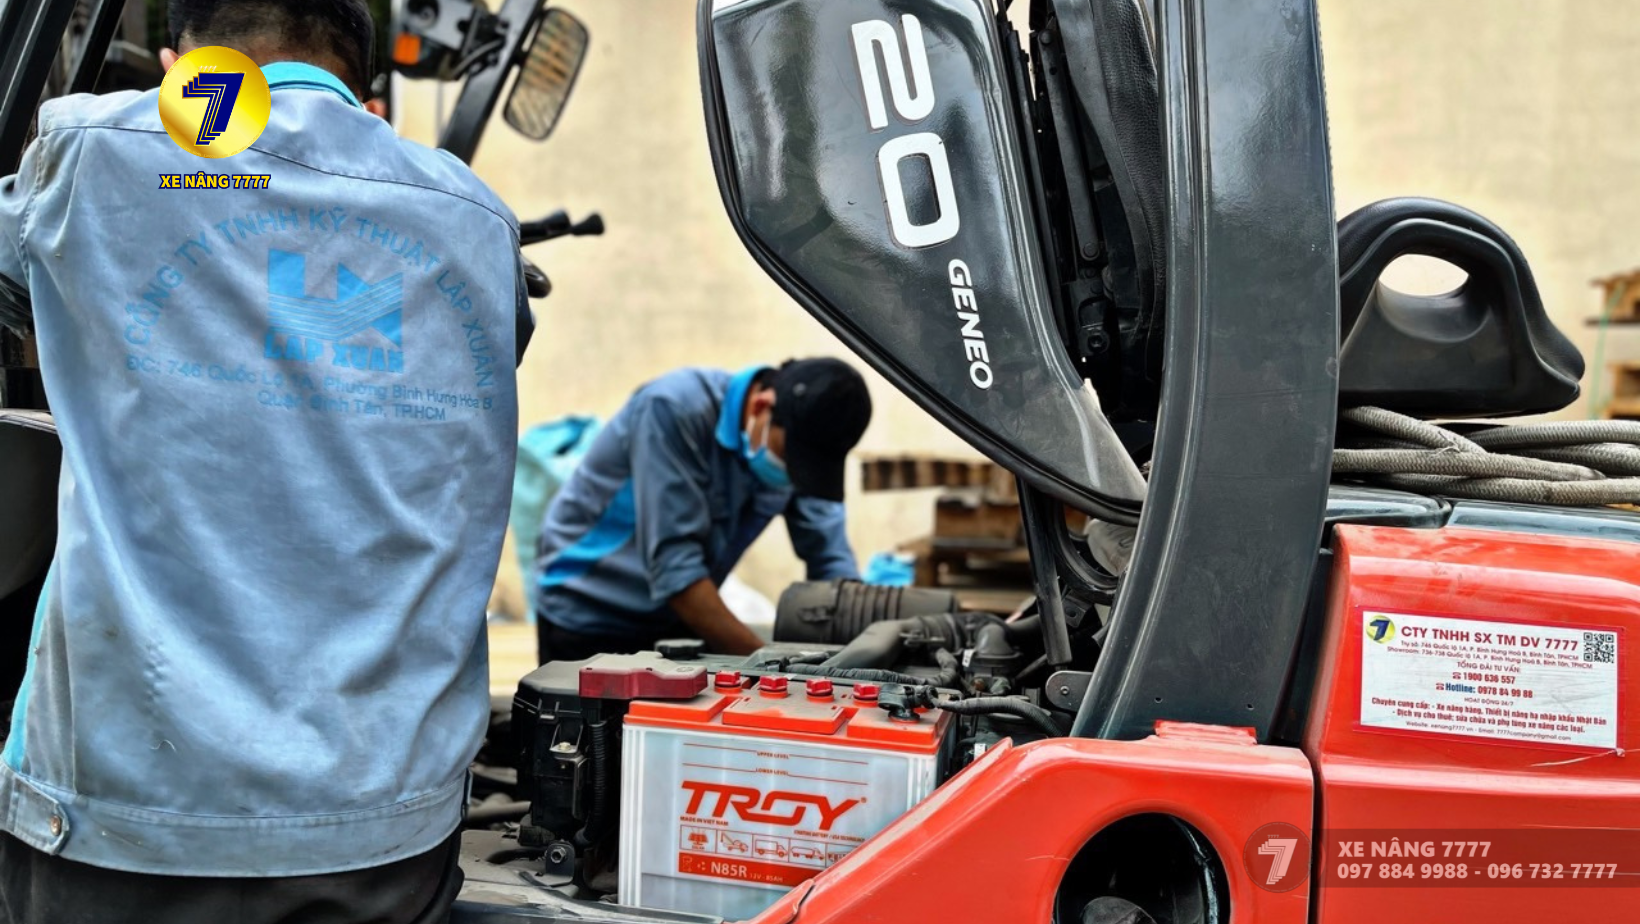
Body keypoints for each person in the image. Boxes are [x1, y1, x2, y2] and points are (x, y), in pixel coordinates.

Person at [0, 2, 529, 922]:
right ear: (362, 80)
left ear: (183, 66)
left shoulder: (98, 150)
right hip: (388, 830)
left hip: (131, 823)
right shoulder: (478, 217)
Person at [534, 360, 873, 662]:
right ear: (762, 406)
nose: (793, 475)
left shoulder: (801, 449)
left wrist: (859, 641)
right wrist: (773, 669)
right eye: (791, 458)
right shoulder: (674, 409)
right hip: (589, 615)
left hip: (676, 619)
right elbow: (676, 570)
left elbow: (831, 559)